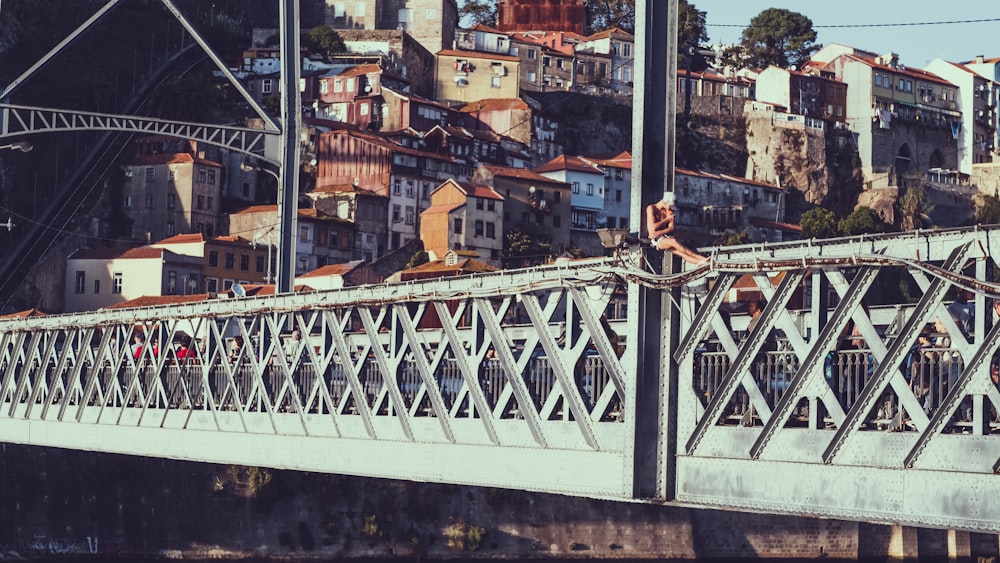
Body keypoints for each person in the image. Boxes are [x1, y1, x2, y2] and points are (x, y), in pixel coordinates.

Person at [645, 193, 709, 265]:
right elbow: (654, 227)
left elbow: (671, 228)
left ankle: (701, 262)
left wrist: (659, 232)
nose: (671, 209)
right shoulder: (651, 208)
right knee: (674, 241)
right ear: (665, 202)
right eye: (670, 206)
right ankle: (701, 258)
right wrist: (667, 219)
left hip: (665, 236)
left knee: (682, 253)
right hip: (656, 240)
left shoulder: (669, 211)